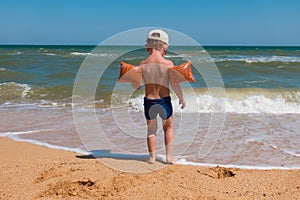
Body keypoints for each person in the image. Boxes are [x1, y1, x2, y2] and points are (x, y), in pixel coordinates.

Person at [139, 29, 186, 164]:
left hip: (149, 101)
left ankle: (152, 158)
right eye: (166, 47)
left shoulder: (143, 64)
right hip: (164, 101)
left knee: (151, 130)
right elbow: (175, 84)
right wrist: (181, 98)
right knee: (168, 127)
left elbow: (135, 85)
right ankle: (169, 158)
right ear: (163, 46)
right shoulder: (167, 64)